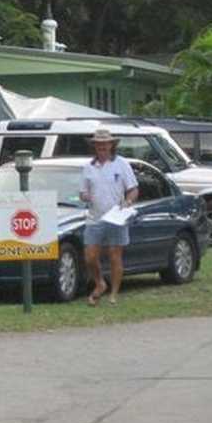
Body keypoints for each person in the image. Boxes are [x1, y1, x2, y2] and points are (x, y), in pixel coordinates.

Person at [79, 129, 139, 306]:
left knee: (115, 255)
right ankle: (100, 283)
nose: (102, 147)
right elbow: (82, 192)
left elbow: (133, 188)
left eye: (105, 144)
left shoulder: (121, 164)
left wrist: (128, 201)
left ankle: (114, 294)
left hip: (116, 216)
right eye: (98, 144)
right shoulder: (88, 167)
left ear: (112, 145)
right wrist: (85, 196)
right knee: (90, 257)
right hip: (95, 217)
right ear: (94, 146)